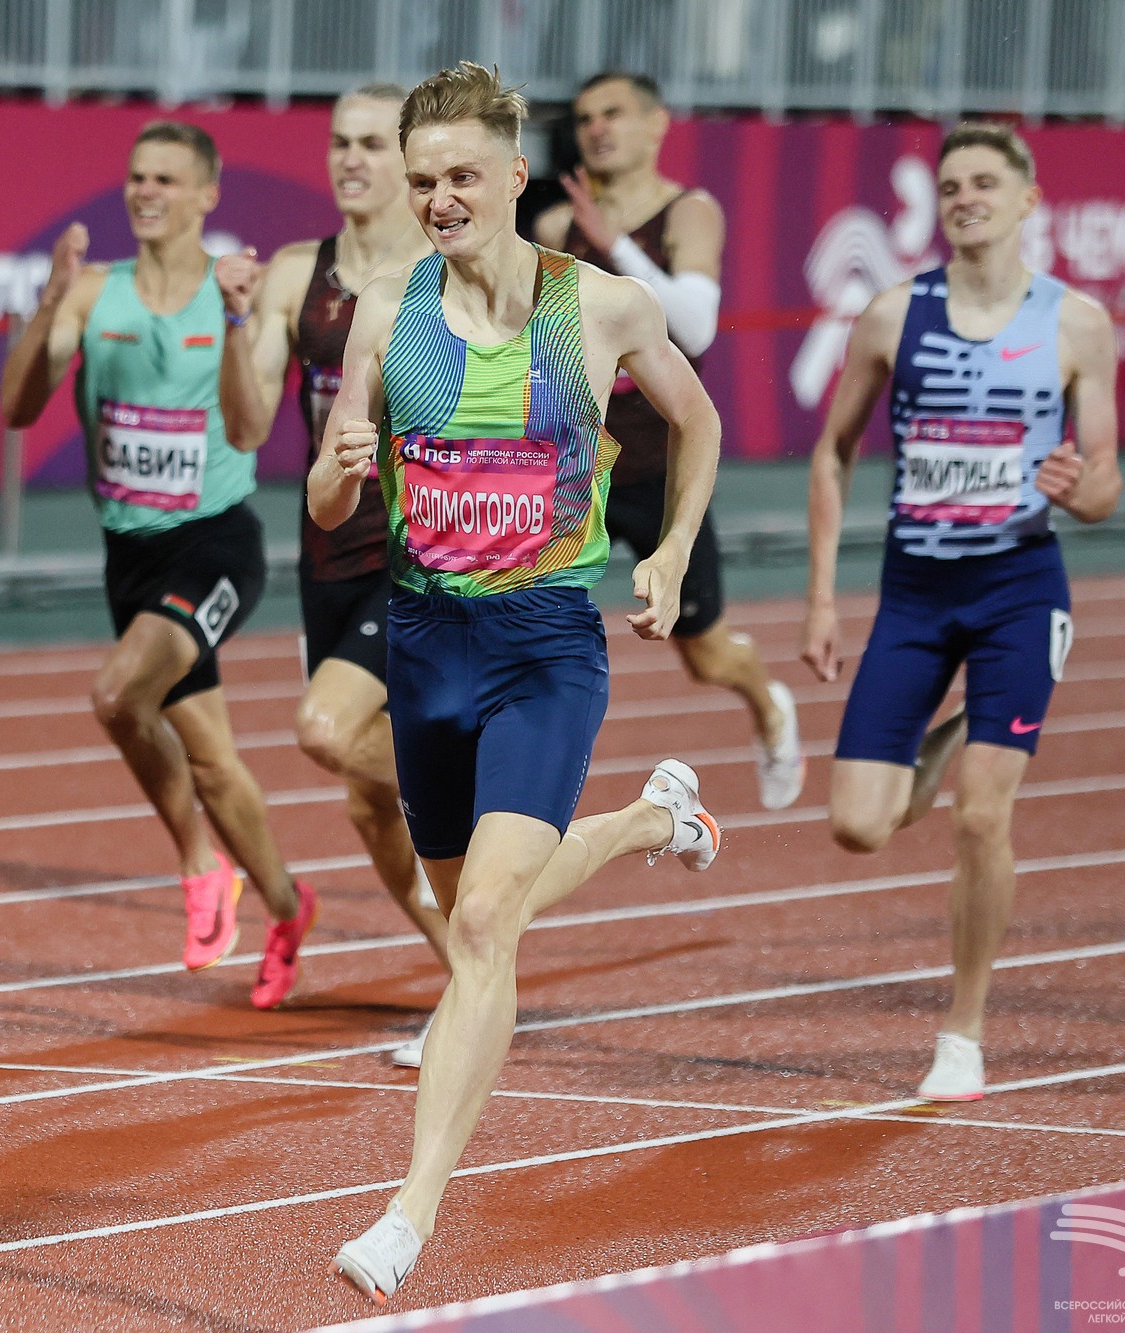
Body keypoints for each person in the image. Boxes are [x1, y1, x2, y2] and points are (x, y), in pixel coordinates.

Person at [316, 63, 724, 1303]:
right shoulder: (385, 311)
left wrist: (668, 548)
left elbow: (698, 421)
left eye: (460, 176)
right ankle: (651, 821)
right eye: (421, 179)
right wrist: (340, 470)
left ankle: (406, 1215)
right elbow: (328, 499)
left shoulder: (598, 306)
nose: (438, 198)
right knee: (469, 917)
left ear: (511, 175)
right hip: (424, 642)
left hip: (543, 642)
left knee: (485, 925)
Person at [802, 122, 1120, 1102]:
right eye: (950, 186)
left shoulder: (1075, 324)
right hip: (914, 593)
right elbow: (832, 452)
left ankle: (962, 1032)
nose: (965, 197)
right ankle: (959, 729)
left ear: (1027, 199)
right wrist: (821, 596)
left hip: (1017, 588)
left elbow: (1106, 483)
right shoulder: (894, 314)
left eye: (985, 181)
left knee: (982, 813)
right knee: (860, 824)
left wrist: (1078, 488)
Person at [0, 121, 318, 1011]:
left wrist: (239, 321)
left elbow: (250, 431)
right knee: (211, 762)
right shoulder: (91, 293)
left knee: (116, 695)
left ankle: (199, 864)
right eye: (138, 176)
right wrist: (49, 300)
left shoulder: (232, 291)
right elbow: (18, 409)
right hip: (129, 553)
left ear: (207, 194)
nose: (146, 191)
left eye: (168, 180)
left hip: (215, 544)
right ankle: (288, 907)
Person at [213, 84, 448, 1068]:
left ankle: (485, 821)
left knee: (322, 729)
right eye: (339, 142)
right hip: (329, 556)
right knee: (368, 805)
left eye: (372, 144)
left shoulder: (444, 273)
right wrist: (236, 321)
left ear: (408, 160)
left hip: (424, 556)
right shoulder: (293, 276)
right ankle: (475, 976)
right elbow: (243, 425)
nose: (351, 159)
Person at [532, 69, 804, 810]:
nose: (597, 128)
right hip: (575, 471)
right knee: (526, 626)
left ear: (656, 125)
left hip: (659, 469)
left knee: (704, 654)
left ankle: (770, 705)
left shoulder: (690, 212)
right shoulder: (554, 228)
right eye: (586, 117)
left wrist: (613, 245)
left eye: (613, 113)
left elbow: (696, 328)